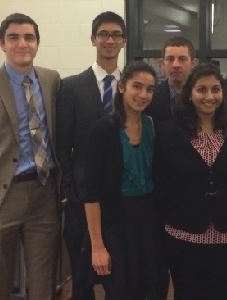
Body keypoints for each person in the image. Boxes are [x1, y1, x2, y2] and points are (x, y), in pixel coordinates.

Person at [0, 13, 60, 300]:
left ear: (37, 43)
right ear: (2, 43)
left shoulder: (51, 80)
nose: (22, 44)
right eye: (14, 37)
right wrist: (0, 170)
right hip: (2, 197)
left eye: (29, 37)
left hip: (44, 192)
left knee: (43, 284)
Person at [154, 63, 227, 300]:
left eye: (215, 89)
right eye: (201, 90)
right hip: (185, 234)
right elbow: (161, 182)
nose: (209, 96)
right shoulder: (167, 131)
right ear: (189, 94)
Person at [56, 11, 126, 300]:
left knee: (120, 280)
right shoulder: (71, 87)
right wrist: (70, 188)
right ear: (93, 39)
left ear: (124, 41)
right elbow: (62, 145)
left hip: (124, 197)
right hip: (81, 199)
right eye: (103, 34)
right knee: (82, 280)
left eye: (115, 35)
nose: (109, 40)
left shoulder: (135, 86)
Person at [81, 61, 164, 300]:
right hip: (115, 223)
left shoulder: (152, 127)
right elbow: (91, 193)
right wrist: (97, 246)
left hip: (148, 220)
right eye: (137, 86)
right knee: (120, 291)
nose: (143, 94)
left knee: (150, 287)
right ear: (122, 87)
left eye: (149, 89)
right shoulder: (102, 130)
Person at [145, 36, 197, 123]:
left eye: (182, 59)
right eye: (170, 59)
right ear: (162, 64)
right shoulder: (150, 97)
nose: (176, 65)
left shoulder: (203, 97)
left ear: (193, 64)